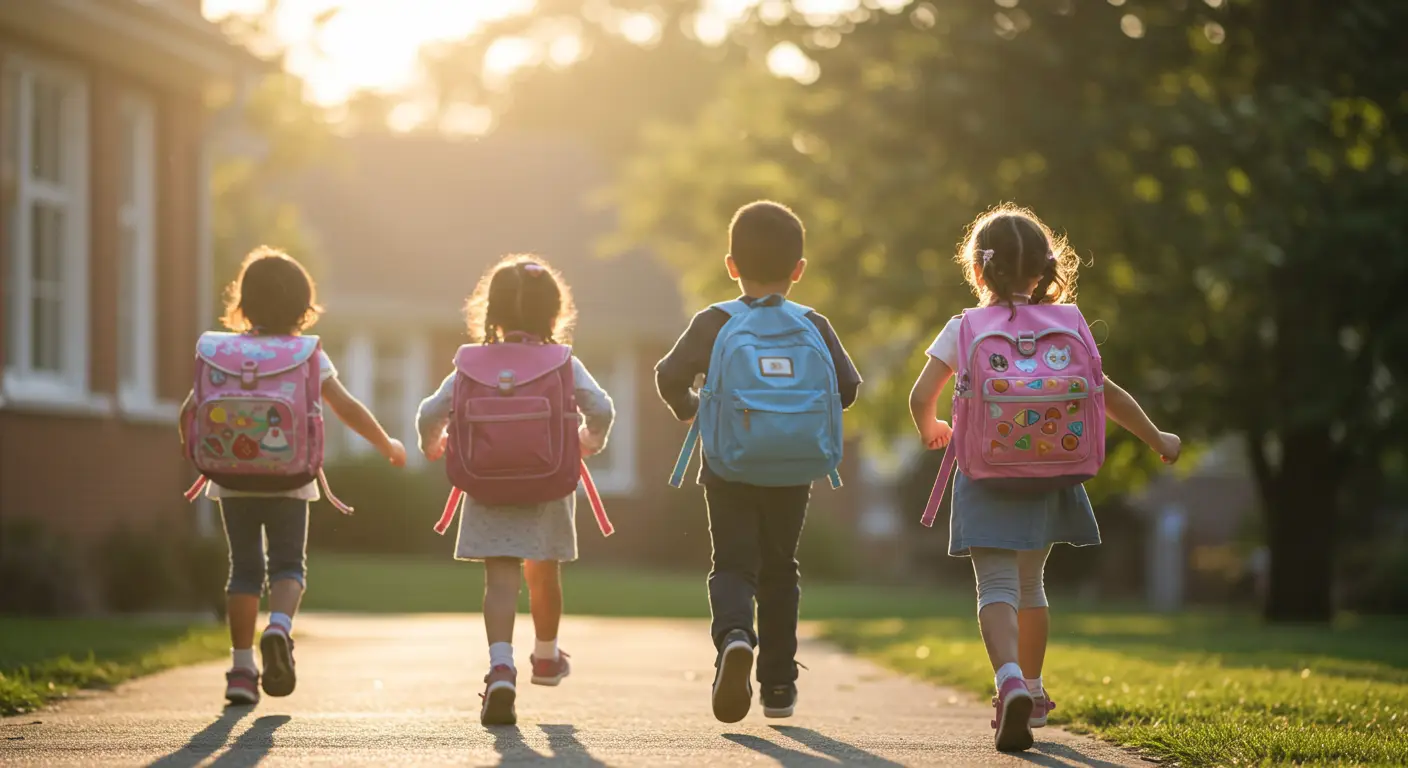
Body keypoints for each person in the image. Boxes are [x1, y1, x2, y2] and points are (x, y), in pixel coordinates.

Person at [908, 205, 1181, 751]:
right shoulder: (1069, 324)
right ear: (1044, 269)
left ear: (979, 272)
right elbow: (1108, 396)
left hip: (987, 475)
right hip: (1053, 475)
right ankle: (1032, 690)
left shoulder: (964, 327)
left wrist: (932, 426)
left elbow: (920, 397)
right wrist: (1158, 438)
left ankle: (1007, 679)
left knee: (997, 587)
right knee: (1032, 586)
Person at [656, 201, 861, 723]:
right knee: (780, 569)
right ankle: (778, 687)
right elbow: (848, 389)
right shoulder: (813, 322)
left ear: (731, 265)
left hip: (727, 465)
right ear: (799, 270)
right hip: (793, 469)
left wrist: (693, 413)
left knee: (732, 564)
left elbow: (667, 375)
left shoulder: (715, 321)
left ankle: (734, 638)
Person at [182, 247, 407, 706]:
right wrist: (387, 444)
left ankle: (241, 671)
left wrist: (199, 455)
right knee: (287, 566)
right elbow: (345, 406)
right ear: (304, 310)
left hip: (231, 477)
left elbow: (190, 413)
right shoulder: (305, 355)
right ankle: (280, 629)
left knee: (243, 571)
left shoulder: (223, 352)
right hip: (290, 476)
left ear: (242, 306)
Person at [416, 255, 614, 727]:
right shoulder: (562, 361)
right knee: (542, 574)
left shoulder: (470, 362)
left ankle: (500, 666)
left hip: (486, 486)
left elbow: (430, 412)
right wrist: (589, 441)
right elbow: (601, 408)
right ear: (554, 313)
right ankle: (545, 658)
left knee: (500, 580)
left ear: (491, 313)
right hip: (547, 485)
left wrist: (434, 444)